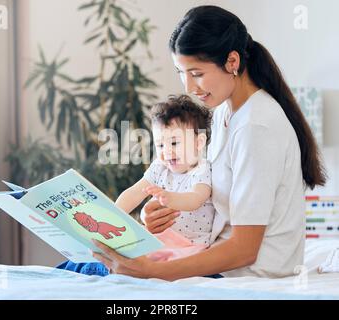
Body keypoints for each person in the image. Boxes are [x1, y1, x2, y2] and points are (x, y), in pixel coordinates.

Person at [88, 5, 327, 280]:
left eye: (197, 73)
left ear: (232, 62)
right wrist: (158, 217)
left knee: (95, 270)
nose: (188, 87)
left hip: (244, 274)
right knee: (94, 265)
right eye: (181, 72)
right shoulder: (225, 113)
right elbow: (205, 198)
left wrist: (156, 272)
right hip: (214, 261)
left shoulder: (256, 127)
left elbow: (245, 250)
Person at [57, 95, 223, 276]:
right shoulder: (160, 167)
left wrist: (170, 198)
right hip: (159, 240)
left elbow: (196, 199)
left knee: (135, 262)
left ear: (198, 143)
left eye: (174, 143)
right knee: (109, 255)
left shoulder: (202, 169)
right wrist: (112, 213)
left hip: (189, 246)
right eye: (160, 144)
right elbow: (134, 193)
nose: (166, 151)